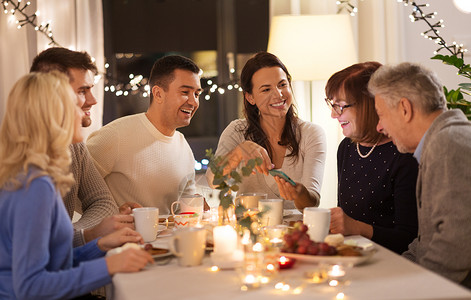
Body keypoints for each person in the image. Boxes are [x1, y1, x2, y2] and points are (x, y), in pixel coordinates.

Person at [0, 72, 153, 299]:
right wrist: (109, 266)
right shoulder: (34, 186)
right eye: (75, 105)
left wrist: (99, 246)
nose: (82, 113)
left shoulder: (32, 176)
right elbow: (31, 286)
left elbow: (53, 264)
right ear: (54, 116)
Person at [369, 62, 471, 288]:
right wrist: (394, 274)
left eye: (381, 115)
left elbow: (456, 244)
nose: (379, 126)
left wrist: (408, 288)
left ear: (404, 109)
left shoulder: (448, 145)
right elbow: (427, 239)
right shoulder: (441, 142)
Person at [30, 47, 140, 247]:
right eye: (82, 91)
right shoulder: (22, 158)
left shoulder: (75, 145)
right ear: (53, 94)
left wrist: (83, 233)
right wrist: (89, 234)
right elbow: (38, 244)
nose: (92, 100)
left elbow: (104, 203)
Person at [206, 51, 326, 210]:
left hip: (294, 230)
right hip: (249, 229)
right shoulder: (237, 131)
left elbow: (312, 202)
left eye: (282, 85)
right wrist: (238, 152)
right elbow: (214, 181)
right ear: (250, 97)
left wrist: (299, 193)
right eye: (266, 89)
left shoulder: (311, 133)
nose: (278, 94)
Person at [86, 55, 202, 214]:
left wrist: (197, 207)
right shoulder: (115, 135)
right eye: (185, 92)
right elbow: (73, 189)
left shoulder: (184, 147)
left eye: (196, 94)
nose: (194, 102)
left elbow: (187, 210)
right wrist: (110, 214)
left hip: (168, 238)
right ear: (158, 94)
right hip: (123, 238)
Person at [325, 62, 418, 254]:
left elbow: (409, 238)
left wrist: (357, 228)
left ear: (370, 105)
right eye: (332, 104)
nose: (333, 114)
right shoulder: (347, 148)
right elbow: (345, 217)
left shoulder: (403, 154)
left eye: (340, 106)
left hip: (390, 263)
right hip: (353, 257)